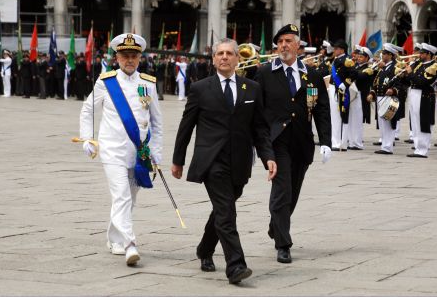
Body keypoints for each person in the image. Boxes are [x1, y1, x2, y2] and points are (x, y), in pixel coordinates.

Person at [171, 38, 276, 284]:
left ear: (238, 58)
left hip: (240, 162)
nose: (225, 57)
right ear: (214, 58)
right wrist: (178, 160)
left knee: (222, 210)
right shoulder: (200, 88)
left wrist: (268, 157)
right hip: (212, 161)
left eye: (230, 53)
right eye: (220, 53)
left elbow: (260, 128)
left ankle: (205, 249)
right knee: (227, 212)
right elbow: (186, 127)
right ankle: (236, 266)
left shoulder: (251, 88)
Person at [79, 33, 163, 265]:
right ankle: (129, 244)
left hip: (138, 152)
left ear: (139, 58)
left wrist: (156, 152)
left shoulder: (148, 83)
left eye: (134, 55)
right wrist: (88, 139)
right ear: (117, 57)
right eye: (125, 55)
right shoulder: (106, 82)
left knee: (129, 200)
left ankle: (114, 238)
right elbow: (88, 111)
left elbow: (157, 121)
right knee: (122, 196)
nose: (129, 60)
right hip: (112, 149)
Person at [254, 24, 332, 263]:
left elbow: (321, 109)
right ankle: (283, 243)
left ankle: (276, 225)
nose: (283, 45)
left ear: (299, 46)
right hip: (277, 142)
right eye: (280, 42)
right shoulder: (265, 73)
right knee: (282, 191)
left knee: (293, 192)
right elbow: (257, 111)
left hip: (302, 142)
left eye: (288, 41)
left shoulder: (313, 74)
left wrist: (326, 141)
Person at [404, 43, 437, 158]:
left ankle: (423, 149)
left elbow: (422, 82)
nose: (420, 55)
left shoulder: (434, 66)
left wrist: (410, 73)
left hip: (423, 95)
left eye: (423, 53)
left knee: (422, 121)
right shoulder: (419, 65)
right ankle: (417, 146)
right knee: (414, 121)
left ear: (429, 54)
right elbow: (411, 80)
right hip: (414, 93)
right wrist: (404, 75)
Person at [367, 43, 400, 154]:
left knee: (388, 123)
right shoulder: (382, 68)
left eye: (385, 54)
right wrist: (372, 93)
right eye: (383, 53)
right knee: (382, 123)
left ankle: (388, 147)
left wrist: (394, 90)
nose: (383, 56)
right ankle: (384, 145)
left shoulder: (395, 67)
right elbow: (376, 82)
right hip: (380, 97)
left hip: (389, 97)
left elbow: (401, 84)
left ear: (391, 55)